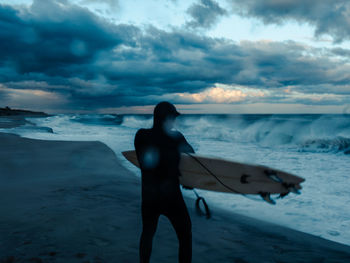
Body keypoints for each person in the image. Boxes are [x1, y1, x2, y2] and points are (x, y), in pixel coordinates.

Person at [134, 101, 195, 263]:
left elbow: (146, 161)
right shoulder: (177, 138)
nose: (174, 121)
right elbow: (192, 160)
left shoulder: (141, 136)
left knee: (147, 233)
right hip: (171, 197)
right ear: (167, 118)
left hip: (149, 196)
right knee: (185, 235)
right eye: (173, 117)